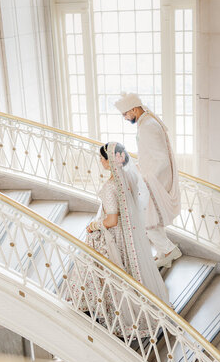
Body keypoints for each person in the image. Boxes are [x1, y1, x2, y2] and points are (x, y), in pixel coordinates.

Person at [68, 142, 169, 334]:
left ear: (110, 161)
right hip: (127, 233)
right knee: (128, 270)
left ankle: (110, 310)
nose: (100, 161)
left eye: (102, 158)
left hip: (115, 234)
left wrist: (94, 225)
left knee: (109, 271)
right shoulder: (129, 178)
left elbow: (112, 219)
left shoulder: (110, 187)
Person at [114, 92, 181, 268]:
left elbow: (161, 160)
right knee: (152, 218)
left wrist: (146, 180)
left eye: (125, 114)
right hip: (151, 178)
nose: (125, 118)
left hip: (154, 181)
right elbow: (149, 154)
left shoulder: (148, 126)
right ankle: (163, 252)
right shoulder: (146, 122)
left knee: (144, 219)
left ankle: (168, 250)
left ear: (134, 109)